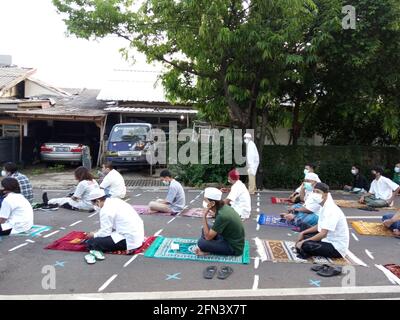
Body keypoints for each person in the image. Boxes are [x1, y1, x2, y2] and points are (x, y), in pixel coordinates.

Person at [83, 189, 144, 263]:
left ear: (98, 201)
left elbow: (105, 233)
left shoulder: (105, 210)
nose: (95, 207)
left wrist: (94, 234)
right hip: (137, 234)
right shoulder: (115, 201)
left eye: (94, 204)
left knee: (91, 242)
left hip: (128, 240)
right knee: (99, 236)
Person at [296, 183, 349, 259]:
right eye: (314, 191)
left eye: (318, 192)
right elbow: (320, 225)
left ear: (325, 194)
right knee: (304, 227)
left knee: (306, 245)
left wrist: (304, 241)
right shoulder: (323, 206)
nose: (315, 194)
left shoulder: (331, 210)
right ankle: (307, 244)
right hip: (326, 238)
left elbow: (323, 234)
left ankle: (306, 248)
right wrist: (303, 232)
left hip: (336, 247)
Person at [196, 187, 245, 256]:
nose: (204, 202)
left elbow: (207, 237)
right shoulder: (224, 207)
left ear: (212, 203)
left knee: (201, 243)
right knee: (205, 228)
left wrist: (204, 216)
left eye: (205, 200)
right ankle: (212, 245)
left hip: (234, 248)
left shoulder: (222, 216)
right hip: (229, 238)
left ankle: (208, 249)